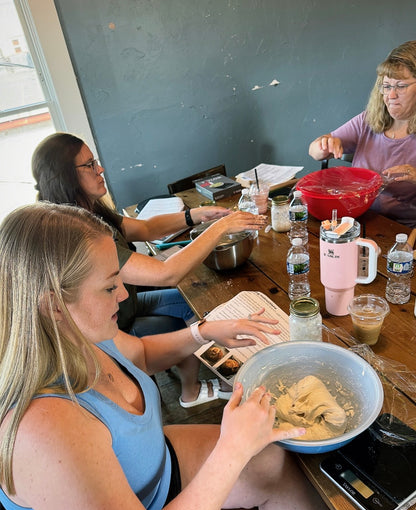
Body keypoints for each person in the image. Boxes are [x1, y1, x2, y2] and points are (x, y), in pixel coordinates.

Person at [0, 203, 392, 510]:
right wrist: (232, 449)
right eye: (108, 287)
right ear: (52, 304)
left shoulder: (80, 329)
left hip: (149, 476)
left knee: (275, 462)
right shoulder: (42, 428)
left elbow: (141, 354)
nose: (123, 294)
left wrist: (203, 333)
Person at [32, 132, 267, 407]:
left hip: (130, 305)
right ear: (65, 176)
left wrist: (195, 216)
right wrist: (219, 228)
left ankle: (217, 367)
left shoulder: (89, 212)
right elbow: (166, 274)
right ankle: (190, 393)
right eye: (90, 165)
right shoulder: (77, 237)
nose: (100, 169)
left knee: (193, 301)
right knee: (185, 323)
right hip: (115, 325)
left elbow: (145, 228)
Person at [309, 40, 416, 227]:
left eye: (400, 86)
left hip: (401, 230)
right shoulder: (368, 120)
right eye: (386, 86)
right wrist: (324, 144)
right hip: (356, 219)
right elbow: (314, 151)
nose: (390, 96)